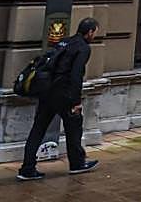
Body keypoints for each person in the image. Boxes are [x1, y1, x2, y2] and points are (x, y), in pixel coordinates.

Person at [18, 17, 100, 181]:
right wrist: (76, 101)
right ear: (89, 32)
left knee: (38, 129)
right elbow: (76, 76)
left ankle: (27, 168)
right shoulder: (83, 48)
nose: (95, 36)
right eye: (95, 32)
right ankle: (77, 164)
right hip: (64, 94)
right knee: (74, 127)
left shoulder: (65, 42)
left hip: (47, 92)